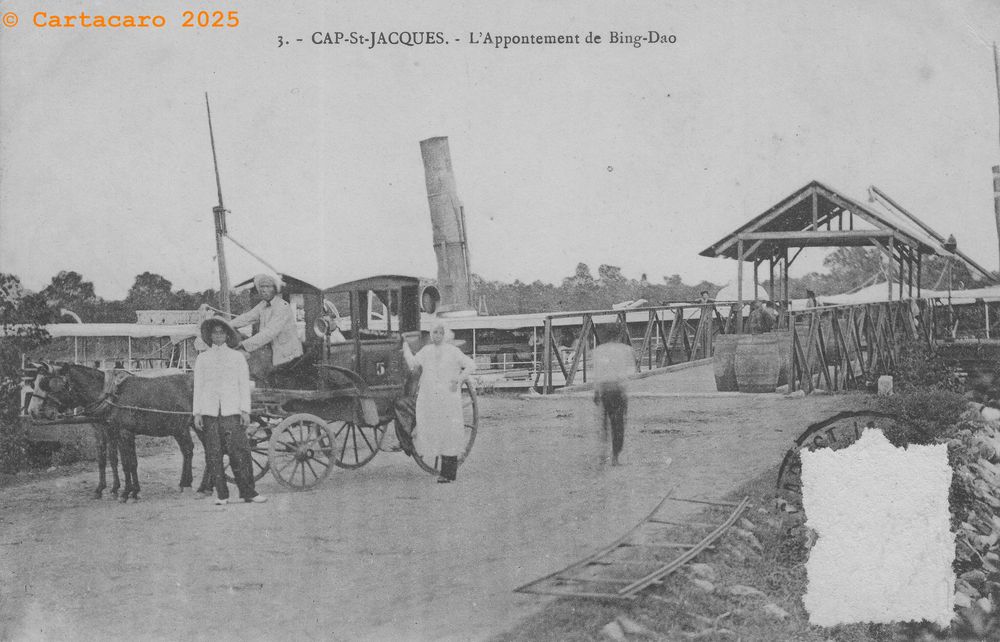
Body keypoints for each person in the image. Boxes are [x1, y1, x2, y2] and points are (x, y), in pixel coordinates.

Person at [192, 317, 266, 505]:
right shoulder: (202, 358)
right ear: (209, 336)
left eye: (221, 332)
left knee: (239, 452)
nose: (218, 336)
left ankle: (249, 492)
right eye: (214, 333)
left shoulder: (237, 358)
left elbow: (243, 385)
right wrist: (197, 413)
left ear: (227, 335)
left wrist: (245, 410)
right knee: (214, 454)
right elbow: (198, 387)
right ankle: (222, 495)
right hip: (210, 412)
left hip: (231, 411)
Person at [401, 322, 475, 483]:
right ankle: (445, 472)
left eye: (440, 333)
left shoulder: (453, 352)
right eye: (434, 333)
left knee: (449, 431)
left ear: (445, 334)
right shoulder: (426, 351)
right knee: (436, 429)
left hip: (448, 398)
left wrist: (459, 379)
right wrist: (406, 348)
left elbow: (470, 365)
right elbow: (413, 364)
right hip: (431, 398)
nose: (437, 336)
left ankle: (448, 473)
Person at [230, 274, 303, 376]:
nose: (264, 290)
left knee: (256, 370)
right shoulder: (263, 305)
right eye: (262, 287)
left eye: (268, 287)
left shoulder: (282, 307)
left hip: (286, 354)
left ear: (275, 289)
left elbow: (269, 333)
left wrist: (243, 344)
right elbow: (247, 318)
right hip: (271, 350)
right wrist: (227, 325)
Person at [591, 341, 633, 466]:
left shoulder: (598, 350)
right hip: (617, 389)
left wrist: (596, 391)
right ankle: (615, 456)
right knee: (618, 425)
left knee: (603, 424)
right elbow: (629, 373)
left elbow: (596, 373)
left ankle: (603, 455)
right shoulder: (625, 349)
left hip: (604, 390)